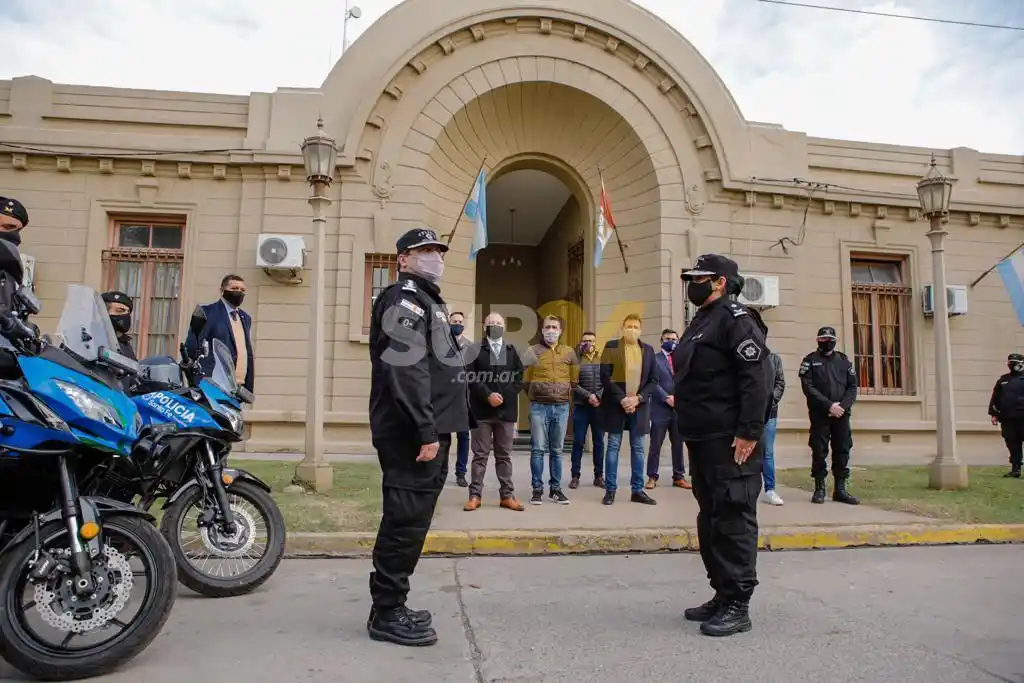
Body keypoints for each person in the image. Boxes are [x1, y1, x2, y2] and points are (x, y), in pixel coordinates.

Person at [366, 227, 470, 647]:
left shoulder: (429, 302)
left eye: (438, 251)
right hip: (412, 434)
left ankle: (393, 602)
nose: (435, 257)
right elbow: (405, 370)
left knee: (413, 520)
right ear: (403, 259)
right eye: (424, 250)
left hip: (428, 430)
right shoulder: (404, 299)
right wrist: (426, 429)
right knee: (404, 519)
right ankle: (386, 612)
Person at [674, 253, 772, 638]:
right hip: (702, 438)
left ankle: (738, 604)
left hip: (732, 440)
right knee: (711, 517)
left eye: (697, 278)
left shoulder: (737, 320)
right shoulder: (701, 321)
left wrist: (749, 431)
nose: (690, 284)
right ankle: (721, 592)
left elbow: (756, 378)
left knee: (732, 518)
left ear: (718, 282)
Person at [464, 311, 525, 511]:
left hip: (506, 412)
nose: (495, 326)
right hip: (481, 411)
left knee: (504, 455)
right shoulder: (474, 349)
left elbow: (519, 377)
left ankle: (507, 495)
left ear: (504, 327)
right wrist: (487, 395)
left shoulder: (512, 350)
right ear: (484, 327)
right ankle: (475, 495)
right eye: (491, 323)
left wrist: (504, 396)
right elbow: (470, 376)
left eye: (499, 323)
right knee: (480, 455)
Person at [599, 314, 658, 506]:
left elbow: (653, 380)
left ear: (641, 330)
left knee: (639, 448)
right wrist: (623, 399)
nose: (632, 330)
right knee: (613, 446)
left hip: (639, 407)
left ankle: (637, 490)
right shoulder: (611, 347)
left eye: (635, 327)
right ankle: (610, 490)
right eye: (629, 326)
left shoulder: (648, 351)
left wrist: (638, 399)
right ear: (622, 327)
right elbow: (605, 377)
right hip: (616, 405)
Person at [522, 315, 578, 506]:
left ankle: (556, 490)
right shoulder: (533, 351)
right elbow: (524, 379)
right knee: (537, 449)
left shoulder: (569, 352)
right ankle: (537, 490)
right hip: (539, 406)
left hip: (561, 407)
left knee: (557, 450)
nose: (551, 330)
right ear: (542, 330)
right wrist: (535, 392)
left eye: (554, 327)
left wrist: (566, 392)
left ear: (560, 331)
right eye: (547, 327)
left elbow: (574, 378)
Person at [799, 326, 859, 505]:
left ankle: (840, 489)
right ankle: (819, 488)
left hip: (842, 414)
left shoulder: (844, 361)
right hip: (820, 414)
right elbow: (808, 387)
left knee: (842, 450)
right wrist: (829, 405)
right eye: (823, 339)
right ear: (818, 340)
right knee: (819, 451)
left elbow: (852, 387)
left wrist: (841, 406)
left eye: (829, 339)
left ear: (835, 340)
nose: (827, 342)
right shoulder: (809, 361)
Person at [185, 274, 255, 393]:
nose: (239, 292)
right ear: (222, 290)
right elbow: (193, 347)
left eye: (242, 290)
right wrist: (198, 380)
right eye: (234, 289)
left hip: (237, 386)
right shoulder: (206, 312)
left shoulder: (245, 318)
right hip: (213, 383)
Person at [646, 328, 689, 490]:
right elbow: (652, 382)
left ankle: (679, 476)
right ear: (661, 341)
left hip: (678, 408)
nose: (671, 341)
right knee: (655, 444)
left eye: (673, 339)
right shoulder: (654, 359)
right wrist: (666, 397)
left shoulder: (682, 360)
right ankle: (652, 476)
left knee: (678, 444)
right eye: (667, 339)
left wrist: (678, 398)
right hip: (659, 408)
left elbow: (686, 381)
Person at [570, 331, 605, 489]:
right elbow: (572, 383)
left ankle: (599, 476)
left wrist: (597, 396)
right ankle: (575, 476)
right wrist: (588, 396)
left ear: (596, 342)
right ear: (581, 343)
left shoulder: (602, 359)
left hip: (599, 407)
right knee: (578, 441)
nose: (588, 343)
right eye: (585, 341)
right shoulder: (575, 360)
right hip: (581, 407)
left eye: (591, 340)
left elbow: (607, 381)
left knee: (599, 442)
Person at [988, 352, 1024, 478]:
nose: (1012, 366)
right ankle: (1016, 469)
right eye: (1010, 363)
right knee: (1012, 444)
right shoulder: (1003, 380)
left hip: (1022, 417)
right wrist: (994, 414)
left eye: (1015, 364)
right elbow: (996, 398)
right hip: (1008, 418)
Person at [448, 311, 471, 488]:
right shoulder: (441, 345)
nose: (457, 324)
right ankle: (439, 470)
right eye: (454, 321)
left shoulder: (471, 347)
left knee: (464, 436)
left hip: (464, 397)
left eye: (460, 321)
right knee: (443, 435)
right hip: (446, 397)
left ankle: (461, 473)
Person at [762, 351, 785, 505]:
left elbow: (780, 383)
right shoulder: (742, 355)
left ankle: (770, 489)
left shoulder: (774, 358)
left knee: (767, 453)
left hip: (769, 413)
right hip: (745, 412)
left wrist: (768, 401)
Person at [101, 290, 137, 361]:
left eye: (128, 312)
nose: (126, 315)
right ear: (104, 312)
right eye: (120, 311)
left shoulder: (125, 344)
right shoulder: (92, 338)